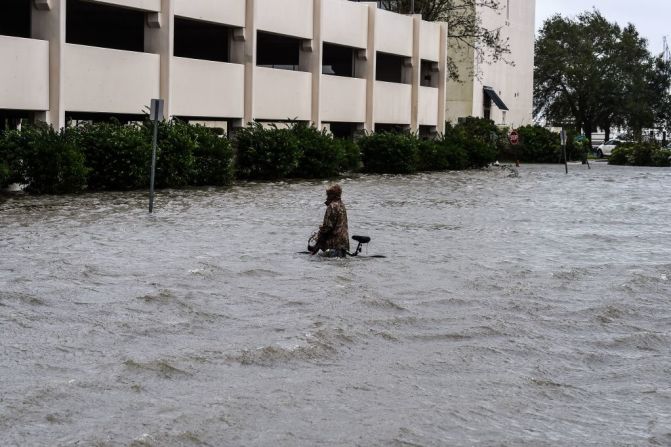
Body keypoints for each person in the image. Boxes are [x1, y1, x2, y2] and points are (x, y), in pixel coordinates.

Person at [310, 184, 350, 257]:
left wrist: (318, 242)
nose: (327, 196)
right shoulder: (342, 205)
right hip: (343, 243)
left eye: (328, 194)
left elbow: (327, 227)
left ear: (332, 195)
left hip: (334, 243)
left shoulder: (332, 206)